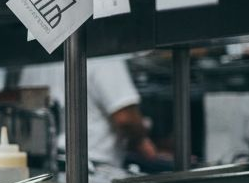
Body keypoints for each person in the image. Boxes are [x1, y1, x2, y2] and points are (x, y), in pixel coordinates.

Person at [18, 55, 157, 167]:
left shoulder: (34, 59)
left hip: (44, 163)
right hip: (94, 166)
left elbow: (27, 112)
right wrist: (141, 141)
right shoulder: (104, 55)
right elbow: (126, 119)